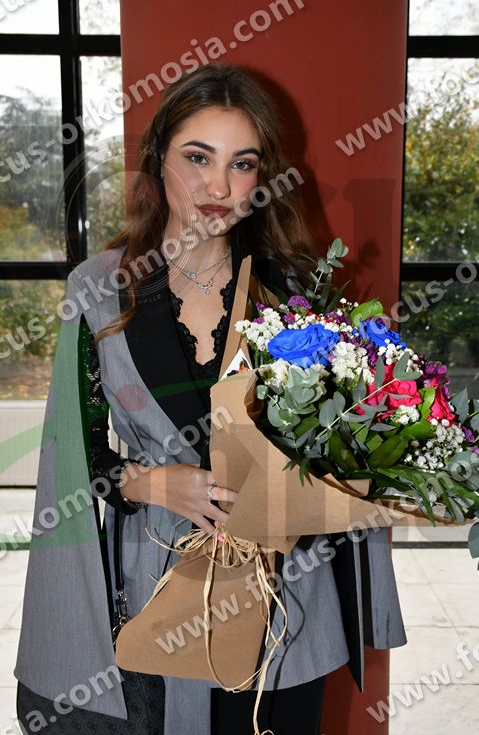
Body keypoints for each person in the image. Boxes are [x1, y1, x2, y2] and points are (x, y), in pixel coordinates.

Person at [14, 63, 406, 735]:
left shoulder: (296, 290)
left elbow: (340, 444)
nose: (219, 187)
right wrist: (144, 481)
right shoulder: (100, 289)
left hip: (290, 597)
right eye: (198, 157)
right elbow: (72, 455)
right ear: (157, 160)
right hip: (158, 583)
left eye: (241, 164)